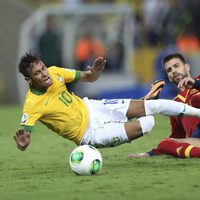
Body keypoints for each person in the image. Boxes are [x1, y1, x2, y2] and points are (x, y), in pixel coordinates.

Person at [14, 52, 200, 151]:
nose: (44, 74)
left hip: (93, 107)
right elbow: (26, 134)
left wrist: (96, 70)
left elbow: (90, 77)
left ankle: (147, 103)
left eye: (43, 68)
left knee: (155, 106)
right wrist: (23, 145)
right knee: (148, 122)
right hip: (89, 134)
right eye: (37, 73)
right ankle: (139, 106)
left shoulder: (55, 72)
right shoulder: (32, 104)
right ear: (29, 80)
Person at [128, 53, 200, 158]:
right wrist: (149, 154)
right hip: (198, 140)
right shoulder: (172, 106)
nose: (173, 71)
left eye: (176, 66)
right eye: (169, 70)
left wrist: (196, 84)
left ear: (187, 67)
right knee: (165, 144)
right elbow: (177, 136)